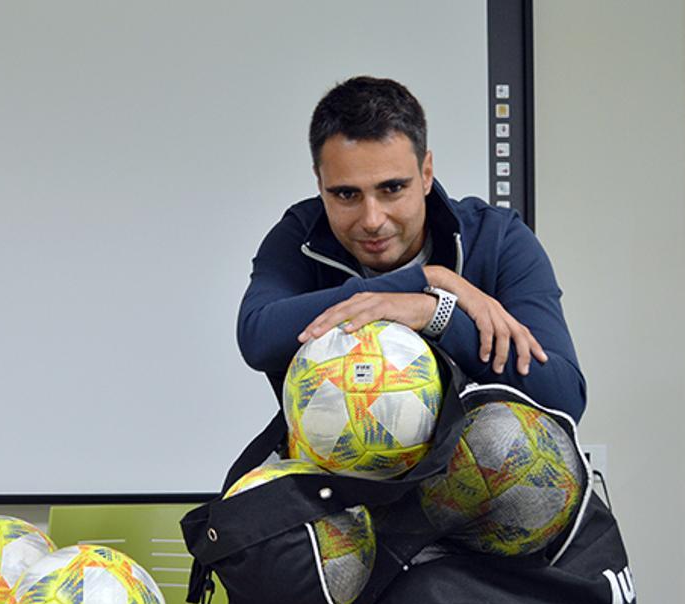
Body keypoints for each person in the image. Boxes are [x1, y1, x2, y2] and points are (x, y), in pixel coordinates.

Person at [238, 76, 586, 422]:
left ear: (426, 173)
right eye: (346, 194)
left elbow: (564, 396)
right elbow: (257, 336)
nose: (372, 219)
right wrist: (429, 278)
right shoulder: (301, 235)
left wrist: (436, 315)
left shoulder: (498, 238)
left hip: (472, 471)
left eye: (392, 189)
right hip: (336, 472)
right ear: (320, 183)